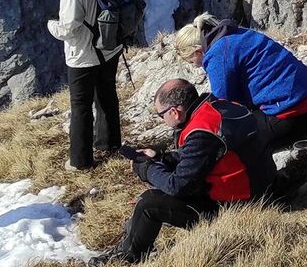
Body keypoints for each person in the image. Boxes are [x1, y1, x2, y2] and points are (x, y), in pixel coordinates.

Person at [95, 80, 273, 265]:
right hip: (262, 185)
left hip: (238, 206)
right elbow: (203, 155)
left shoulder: (201, 133)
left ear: (174, 112)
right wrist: (161, 158)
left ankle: (126, 257)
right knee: (156, 194)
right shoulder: (219, 108)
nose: (162, 119)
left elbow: (178, 186)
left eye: (160, 115)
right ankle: (130, 241)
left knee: (148, 204)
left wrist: (147, 170)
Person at [175, 14, 307, 148]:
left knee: (231, 141)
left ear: (198, 51)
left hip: (295, 115)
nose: (197, 66)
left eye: (192, 61)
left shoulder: (217, 55)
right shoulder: (238, 33)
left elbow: (224, 106)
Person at [47, 0, 121, 171]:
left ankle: (80, 161)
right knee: (107, 96)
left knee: (80, 107)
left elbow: (69, 28)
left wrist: (51, 25)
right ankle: (110, 144)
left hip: (83, 56)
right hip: (109, 49)